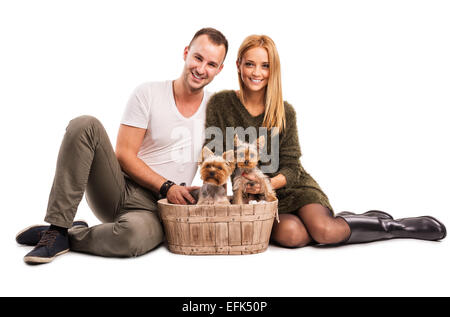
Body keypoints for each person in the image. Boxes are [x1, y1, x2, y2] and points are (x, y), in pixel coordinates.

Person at [204, 34, 446, 247]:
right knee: (292, 236)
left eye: (265, 66)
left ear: (273, 70)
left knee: (325, 232)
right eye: (250, 64)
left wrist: (267, 184)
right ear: (238, 66)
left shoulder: (283, 111)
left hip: (289, 187)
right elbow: (215, 159)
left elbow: (292, 166)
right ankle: (350, 219)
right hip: (256, 199)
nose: (257, 73)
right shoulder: (221, 103)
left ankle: (395, 227)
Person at [16, 28, 228, 264]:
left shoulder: (217, 111)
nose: (201, 69)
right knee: (85, 125)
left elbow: (217, 166)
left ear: (219, 70)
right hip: (119, 189)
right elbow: (124, 155)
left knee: (132, 238)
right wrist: (167, 186)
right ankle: (57, 227)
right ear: (186, 53)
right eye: (198, 58)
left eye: (211, 64)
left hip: (158, 210)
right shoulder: (148, 93)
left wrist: (206, 192)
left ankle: (66, 235)